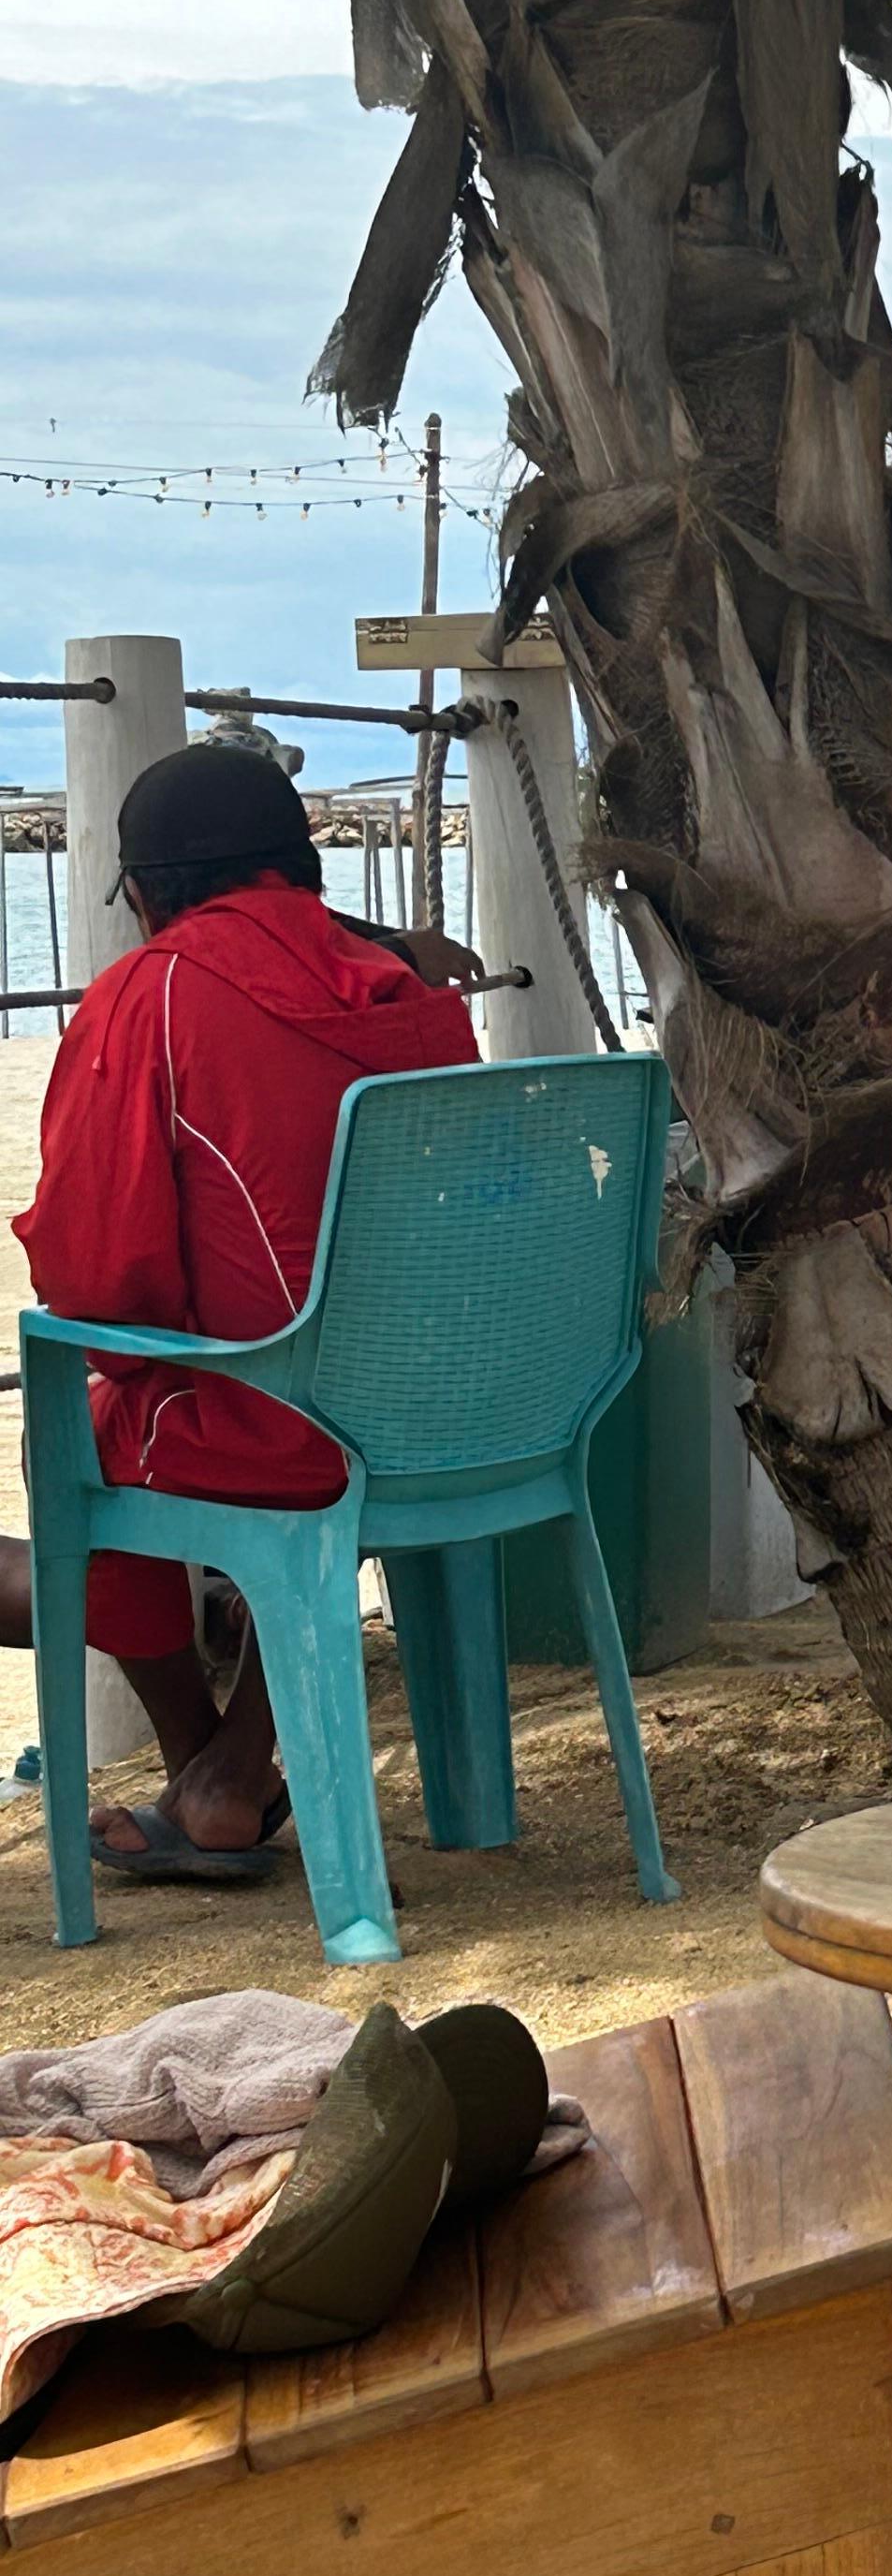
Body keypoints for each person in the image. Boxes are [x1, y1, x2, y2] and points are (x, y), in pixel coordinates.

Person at [0, 743, 479, 1879]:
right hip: (470, 1416)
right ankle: (228, 1756)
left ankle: (207, 1763)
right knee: (315, 1381)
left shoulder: (151, 993)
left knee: (77, 1430)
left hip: (284, 1436)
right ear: (305, 871)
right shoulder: (417, 997)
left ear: (147, 895)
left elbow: (98, 1284)